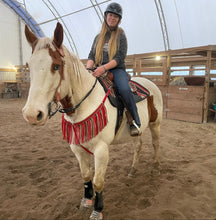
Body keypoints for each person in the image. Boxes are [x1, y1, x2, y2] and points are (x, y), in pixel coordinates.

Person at [86, 2, 141, 136]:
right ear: (106, 16)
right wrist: (88, 69)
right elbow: (92, 55)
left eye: (116, 17)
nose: (112, 18)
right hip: (98, 68)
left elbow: (119, 58)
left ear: (119, 20)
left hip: (116, 70)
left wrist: (103, 68)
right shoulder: (98, 37)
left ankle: (134, 121)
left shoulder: (121, 36)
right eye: (110, 15)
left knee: (124, 89)